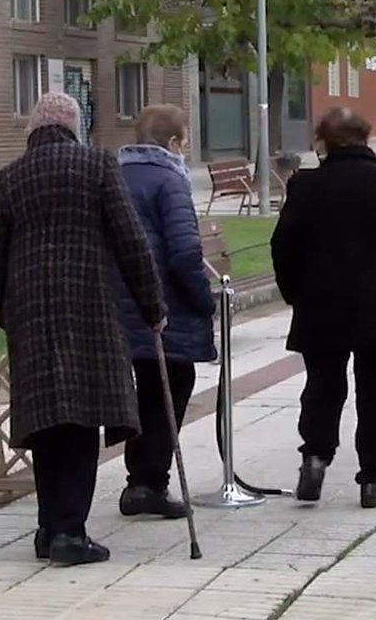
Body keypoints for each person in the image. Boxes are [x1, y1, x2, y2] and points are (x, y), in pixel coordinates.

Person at [0, 92, 166, 567]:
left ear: (32, 132)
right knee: (80, 423)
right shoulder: (97, 167)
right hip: (89, 314)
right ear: (73, 126)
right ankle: (70, 534)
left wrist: (7, 311)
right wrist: (152, 305)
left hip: (32, 319)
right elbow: (130, 241)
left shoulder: (7, 180)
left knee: (46, 425)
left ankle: (50, 528)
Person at [272, 108, 376, 508]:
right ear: (366, 138)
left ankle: (314, 456)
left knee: (322, 387)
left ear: (322, 142)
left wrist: (295, 293)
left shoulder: (305, 186)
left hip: (320, 304)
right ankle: (375, 479)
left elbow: (283, 246)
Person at [111, 104, 215, 521]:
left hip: (116, 302)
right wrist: (203, 299)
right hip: (160, 303)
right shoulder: (170, 179)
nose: (186, 149)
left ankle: (140, 478)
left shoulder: (114, 174)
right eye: (184, 140)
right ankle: (148, 481)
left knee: (147, 388)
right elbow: (185, 250)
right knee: (171, 383)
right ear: (172, 142)